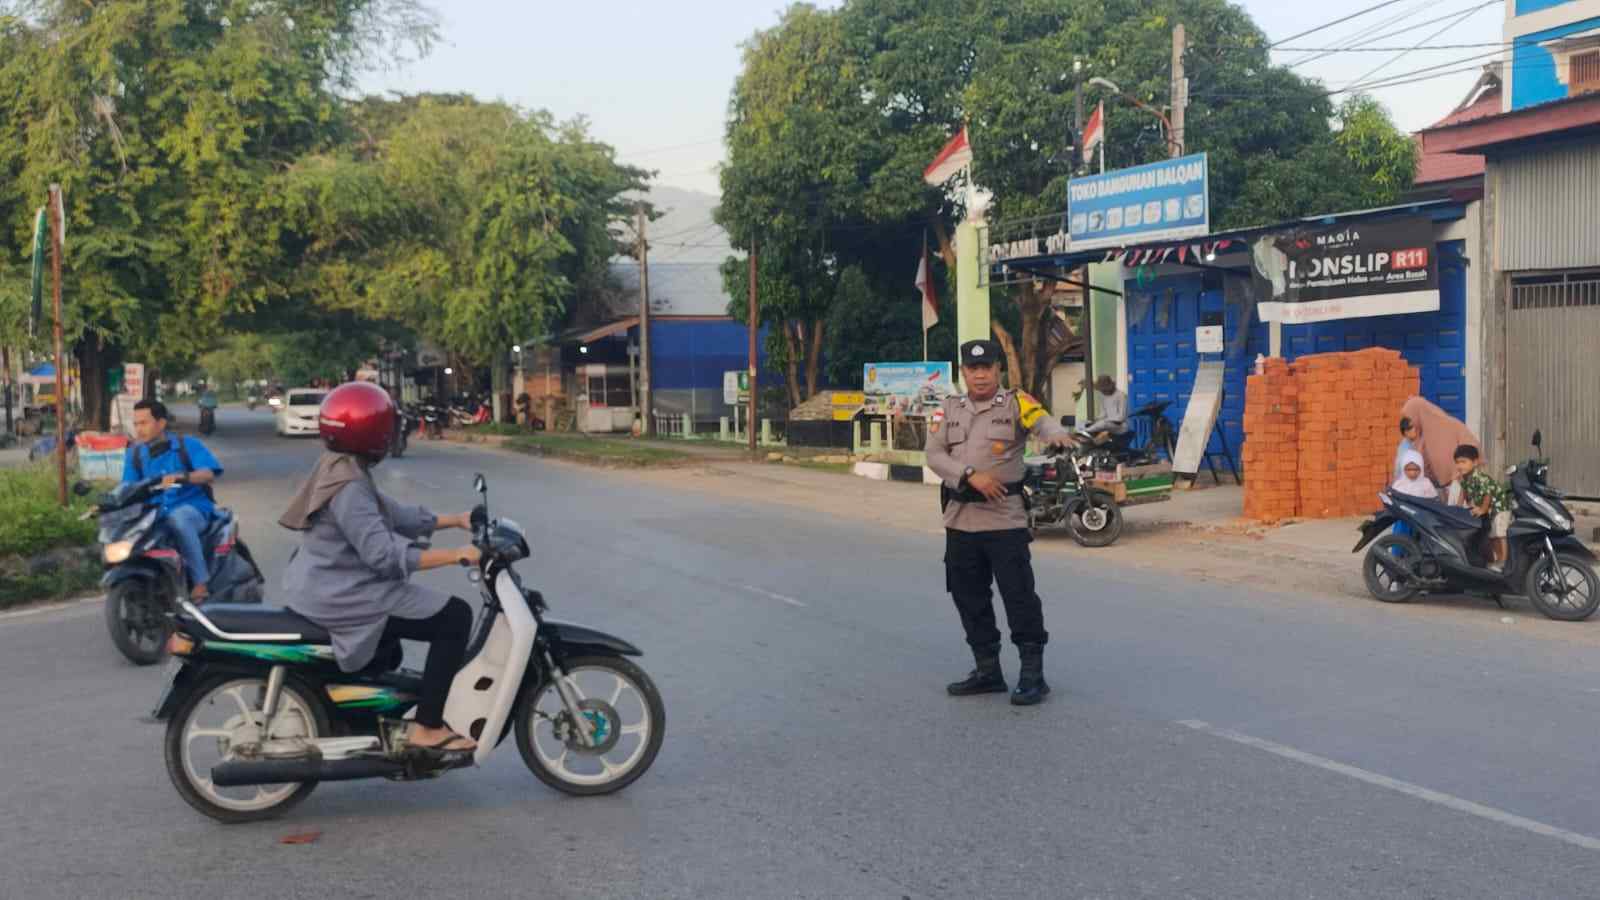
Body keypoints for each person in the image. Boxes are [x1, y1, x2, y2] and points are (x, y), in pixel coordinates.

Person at [279, 381, 483, 753]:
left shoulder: (340, 465)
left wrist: (455, 519)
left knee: (395, 640)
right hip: (343, 592)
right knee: (454, 617)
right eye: (387, 428)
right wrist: (456, 556)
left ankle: (375, 711)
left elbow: (391, 513)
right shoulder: (350, 485)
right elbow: (385, 557)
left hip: (321, 583)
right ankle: (427, 727)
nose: (390, 436)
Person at [925, 339, 1077, 706]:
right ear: (963, 372)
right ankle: (987, 670)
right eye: (973, 368)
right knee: (968, 596)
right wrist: (969, 474)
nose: (980, 374)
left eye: (988, 367)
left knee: (1018, 595)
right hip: (961, 520)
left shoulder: (1015, 403)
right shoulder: (948, 408)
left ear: (998, 370)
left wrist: (1055, 435)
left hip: (1004, 521)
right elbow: (933, 454)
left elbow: (1042, 423)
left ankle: (1032, 675)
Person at [123, 400, 223, 601]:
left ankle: (200, 583)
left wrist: (183, 477)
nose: (138, 429)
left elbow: (208, 473)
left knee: (178, 519)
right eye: (136, 424)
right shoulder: (134, 454)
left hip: (193, 508)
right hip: (154, 513)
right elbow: (127, 487)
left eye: (144, 423)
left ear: (160, 424)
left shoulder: (187, 445)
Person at [1398, 396, 1480, 504]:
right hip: (1444, 488)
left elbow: (1452, 459)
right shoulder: (1421, 437)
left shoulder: (1444, 427)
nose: (1411, 423)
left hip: (1461, 480)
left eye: (1411, 418)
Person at [1454, 444, 1513, 573]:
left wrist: (1483, 509)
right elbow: (1463, 493)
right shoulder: (1464, 479)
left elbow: (1488, 494)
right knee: (1492, 535)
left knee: (1500, 533)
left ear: (1475, 462)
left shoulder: (1480, 478)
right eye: (1457, 462)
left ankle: (1505, 561)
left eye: (1463, 462)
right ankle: (1498, 560)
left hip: (1500, 506)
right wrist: (1458, 508)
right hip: (1490, 509)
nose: (1460, 466)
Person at [1394, 416, 1418, 483]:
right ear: (1406, 432)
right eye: (1411, 427)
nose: (1414, 429)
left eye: (1414, 426)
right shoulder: (1405, 448)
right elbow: (1399, 471)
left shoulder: (1413, 444)